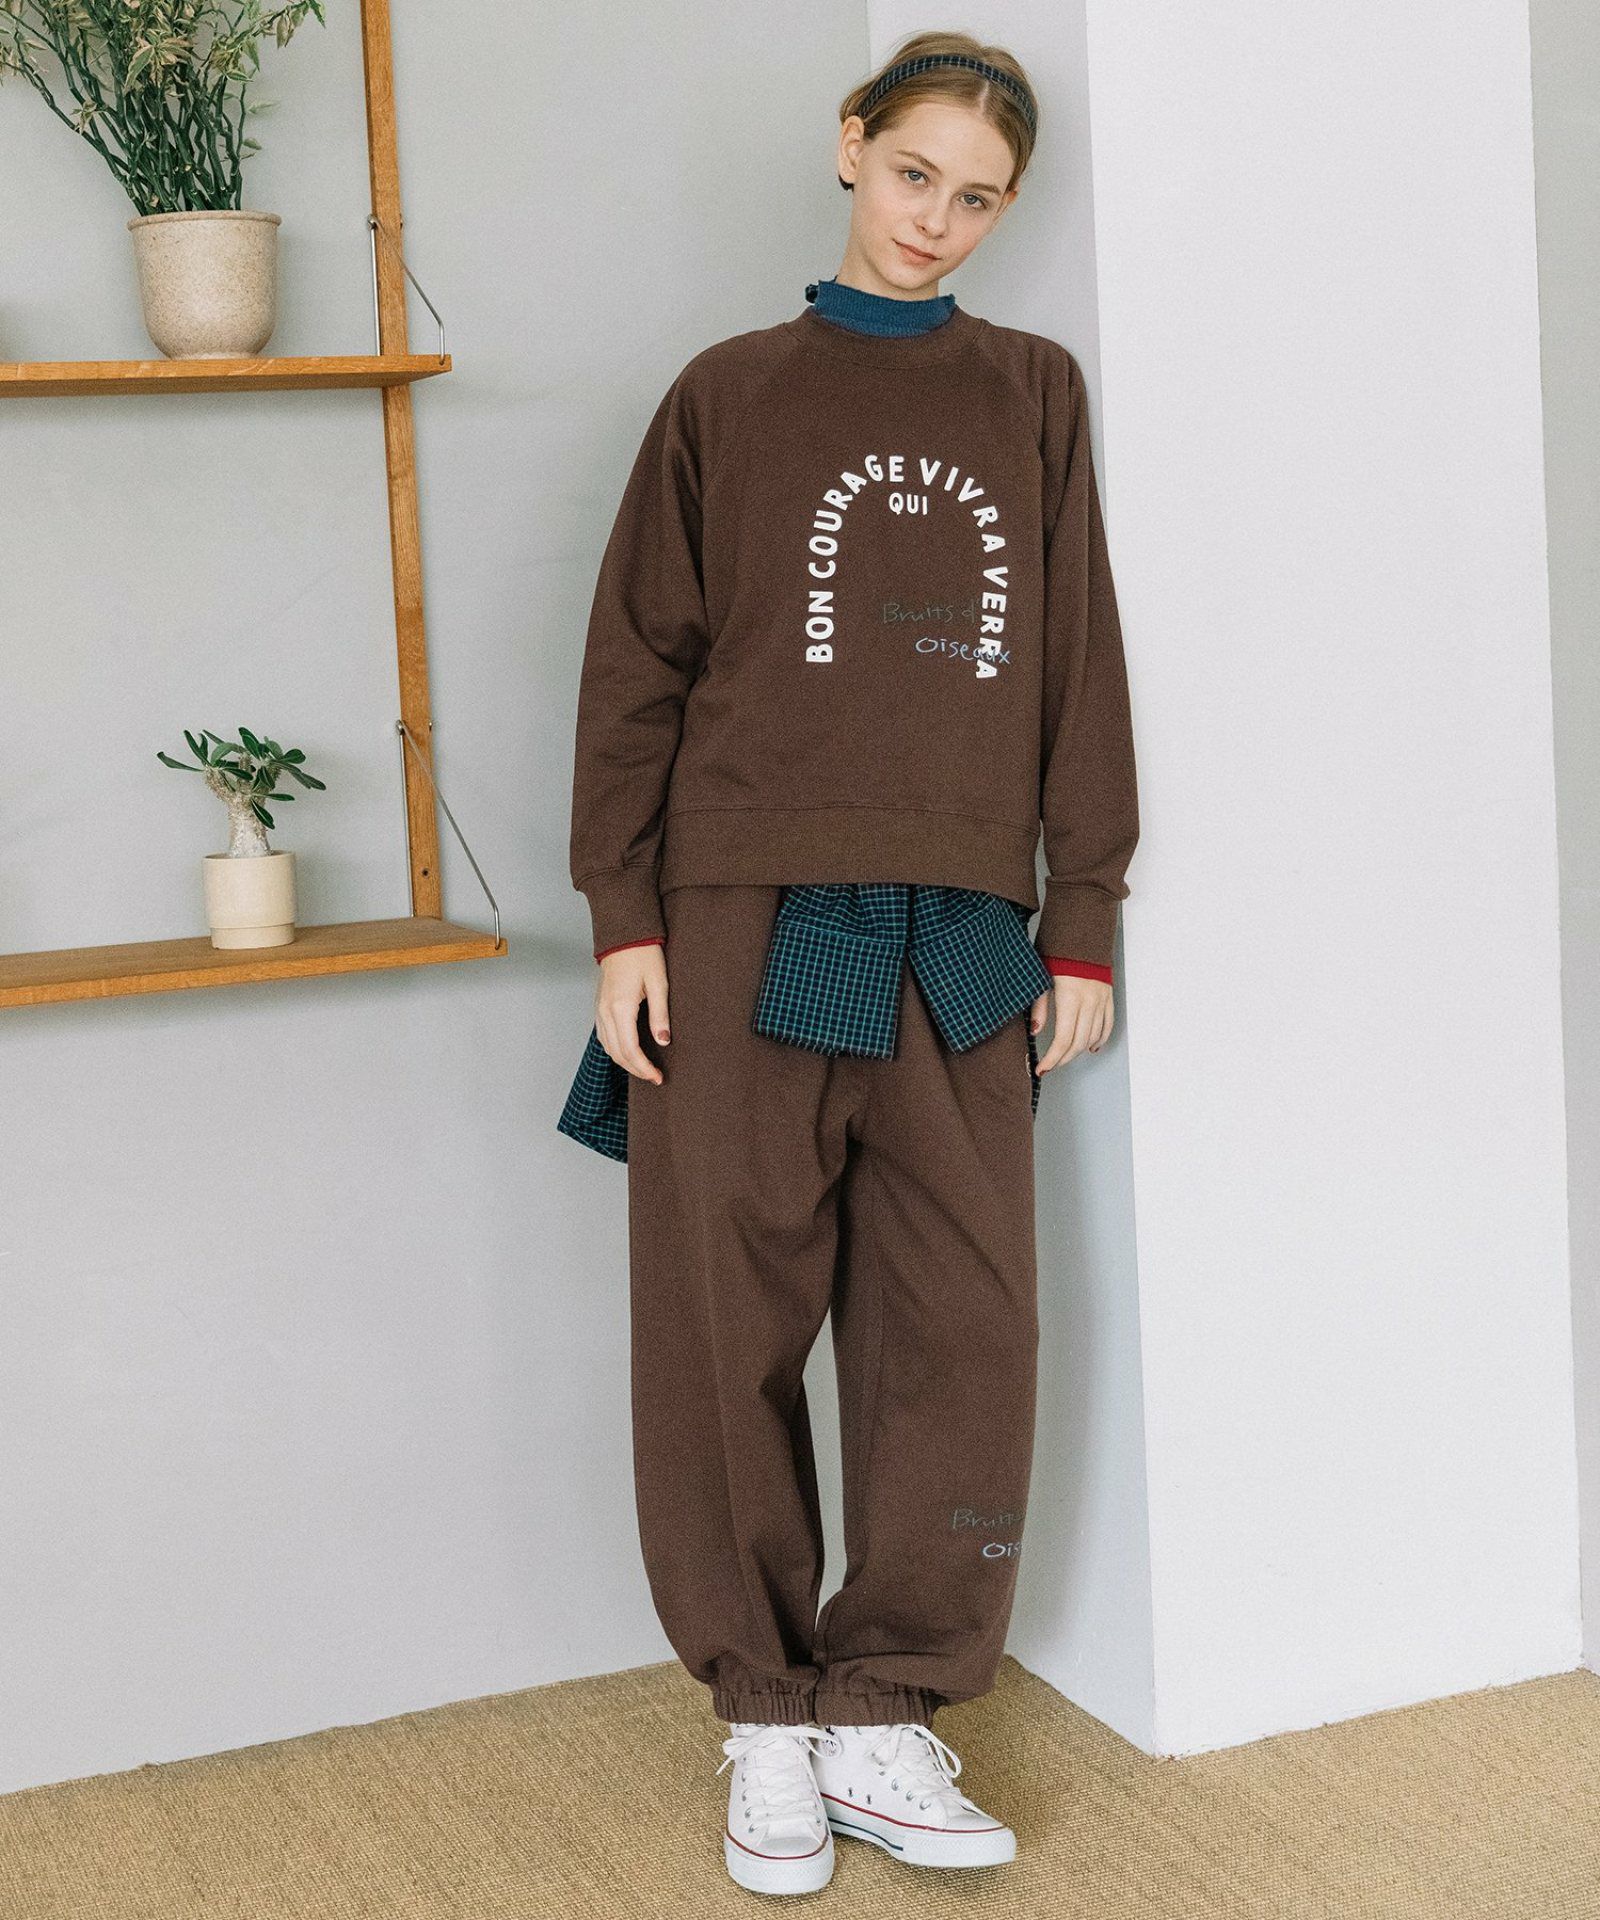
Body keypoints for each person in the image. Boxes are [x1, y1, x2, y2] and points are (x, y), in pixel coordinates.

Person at [561, 28, 1138, 1897]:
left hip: (960, 930)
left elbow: (1077, 662)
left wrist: (1083, 912)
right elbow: (637, 670)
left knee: (962, 1323)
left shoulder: (1034, 393)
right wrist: (623, 917)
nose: (936, 221)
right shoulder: (727, 395)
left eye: (979, 199)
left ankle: (885, 1711)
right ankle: (765, 1717)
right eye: (913, 176)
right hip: (738, 915)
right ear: (849, 149)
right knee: (722, 1319)